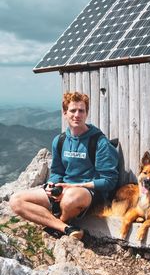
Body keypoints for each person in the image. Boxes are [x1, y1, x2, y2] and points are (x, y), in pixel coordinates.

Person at [9, 91, 119, 239]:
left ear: (86, 113)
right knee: (16, 201)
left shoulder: (99, 142)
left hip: (87, 193)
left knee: (70, 199)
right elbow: (56, 172)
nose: (77, 115)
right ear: (65, 112)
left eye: (81, 110)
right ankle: (65, 228)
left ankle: (60, 221)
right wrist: (51, 184)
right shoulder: (60, 141)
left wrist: (77, 186)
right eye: (73, 110)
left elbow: (109, 181)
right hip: (63, 189)